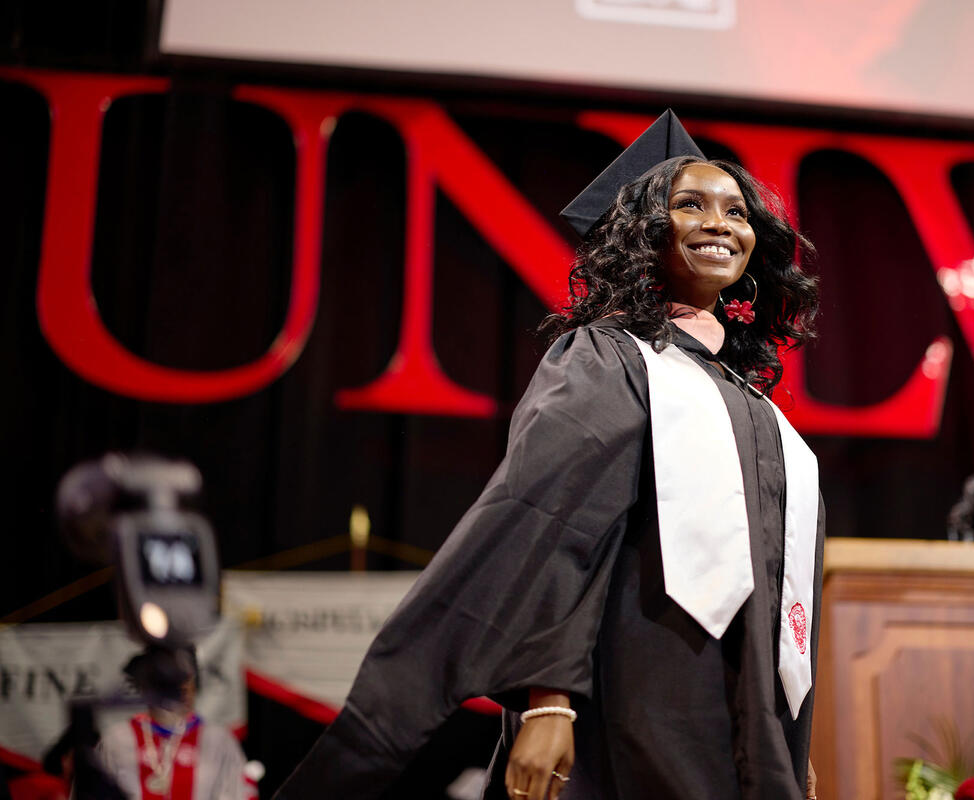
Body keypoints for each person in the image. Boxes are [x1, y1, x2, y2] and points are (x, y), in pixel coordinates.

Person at [275, 111, 824, 800]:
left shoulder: (754, 404)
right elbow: (554, 529)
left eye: (736, 210)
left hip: (741, 728)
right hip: (631, 705)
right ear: (643, 236)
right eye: (691, 204)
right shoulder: (608, 359)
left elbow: (778, 589)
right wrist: (549, 699)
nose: (720, 222)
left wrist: (783, 732)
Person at [97, 646, 257, 800]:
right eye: (172, 680)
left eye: (188, 678)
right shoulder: (117, 740)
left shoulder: (217, 740)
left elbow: (237, 793)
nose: (183, 687)